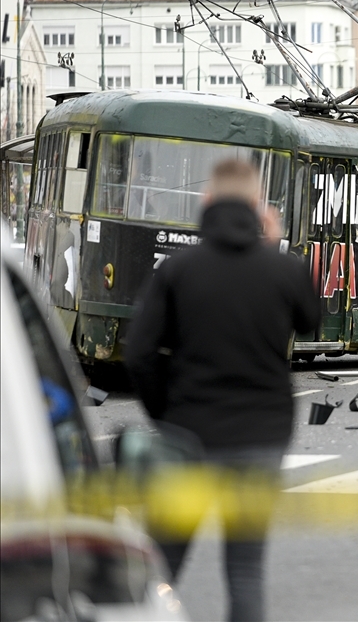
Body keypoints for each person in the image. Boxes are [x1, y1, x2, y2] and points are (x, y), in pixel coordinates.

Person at [125, 158, 320, 622]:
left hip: (189, 434)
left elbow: (139, 354)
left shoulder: (179, 269)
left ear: (207, 201)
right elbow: (311, 320)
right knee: (245, 568)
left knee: (163, 562)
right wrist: (274, 248)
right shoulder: (281, 269)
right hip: (261, 437)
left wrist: (166, 416)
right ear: (258, 206)